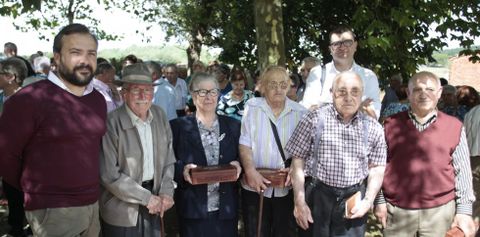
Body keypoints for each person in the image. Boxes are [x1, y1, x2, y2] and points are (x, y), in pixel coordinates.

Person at [0, 23, 107, 237]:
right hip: (52, 210)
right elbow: (5, 156)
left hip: (93, 205)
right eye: (75, 52)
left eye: (91, 53)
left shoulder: (97, 100)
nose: (85, 60)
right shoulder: (29, 100)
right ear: (57, 57)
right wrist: (37, 190)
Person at [374, 71, 476, 237]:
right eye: (417, 90)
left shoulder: (455, 126)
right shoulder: (389, 126)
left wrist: (464, 211)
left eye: (429, 89)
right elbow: (377, 167)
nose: (423, 94)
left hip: (440, 212)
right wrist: (379, 201)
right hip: (397, 211)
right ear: (408, 93)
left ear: (439, 93)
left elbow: (463, 171)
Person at [286, 71, 387, 237]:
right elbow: (297, 161)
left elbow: (377, 168)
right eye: (342, 91)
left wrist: (368, 201)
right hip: (318, 196)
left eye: (355, 91)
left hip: (354, 197)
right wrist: (299, 201)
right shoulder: (313, 119)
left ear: (362, 94)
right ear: (332, 93)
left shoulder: (373, 127)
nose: (348, 97)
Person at [99, 63, 176, 236]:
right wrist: (147, 198)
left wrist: (166, 192)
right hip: (122, 208)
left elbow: (169, 159)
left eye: (147, 90)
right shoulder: (112, 122)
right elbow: (109, 174)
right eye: (135, 90)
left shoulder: (160, 116)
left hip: (156, 201)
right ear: (123, 93)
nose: (142, 96)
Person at [170, 72, 242, 237]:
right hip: (193, 209)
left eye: (213, 91)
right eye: (202, 91)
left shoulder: (233, 126)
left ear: (218, 94)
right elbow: (167, 163)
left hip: (225, 209)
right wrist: (182, 170)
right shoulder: (177, 127)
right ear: (193, 95)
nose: (208, 96)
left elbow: (244, 158)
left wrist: (239, 164)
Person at [240, 66, 307, 237]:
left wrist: (294, 168)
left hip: (286, 186)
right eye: (273, 84)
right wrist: (249, 170)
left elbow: (307, 149)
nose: (278, 89)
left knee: (285, 233)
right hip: (255, 186)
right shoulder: (252, 106)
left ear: (289, 86)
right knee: (256, 232)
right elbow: (245, 142)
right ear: (263, 86)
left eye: (283, 84)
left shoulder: (300, 112)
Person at [300, 26, 381, 119]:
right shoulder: (317, 73)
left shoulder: (368, 76)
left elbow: (372, 116)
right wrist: (357, 108)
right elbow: (308, 112)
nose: (342, 47)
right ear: (330, 49)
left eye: (347, 42)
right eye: (336, 44)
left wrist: (326, 107)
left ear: (355, 46)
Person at [0, 57, 29, 237]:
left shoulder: (28, 101)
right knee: (10, 192)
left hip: (22, 160)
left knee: (20, 194)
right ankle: (15, 226)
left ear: (11, 77)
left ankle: (24, 226)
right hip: (4, 158)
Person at [464, 104, 480, 231]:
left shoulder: (472, 111)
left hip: (473, 158)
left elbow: (466, 135)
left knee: (475, 196)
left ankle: (473, 227)